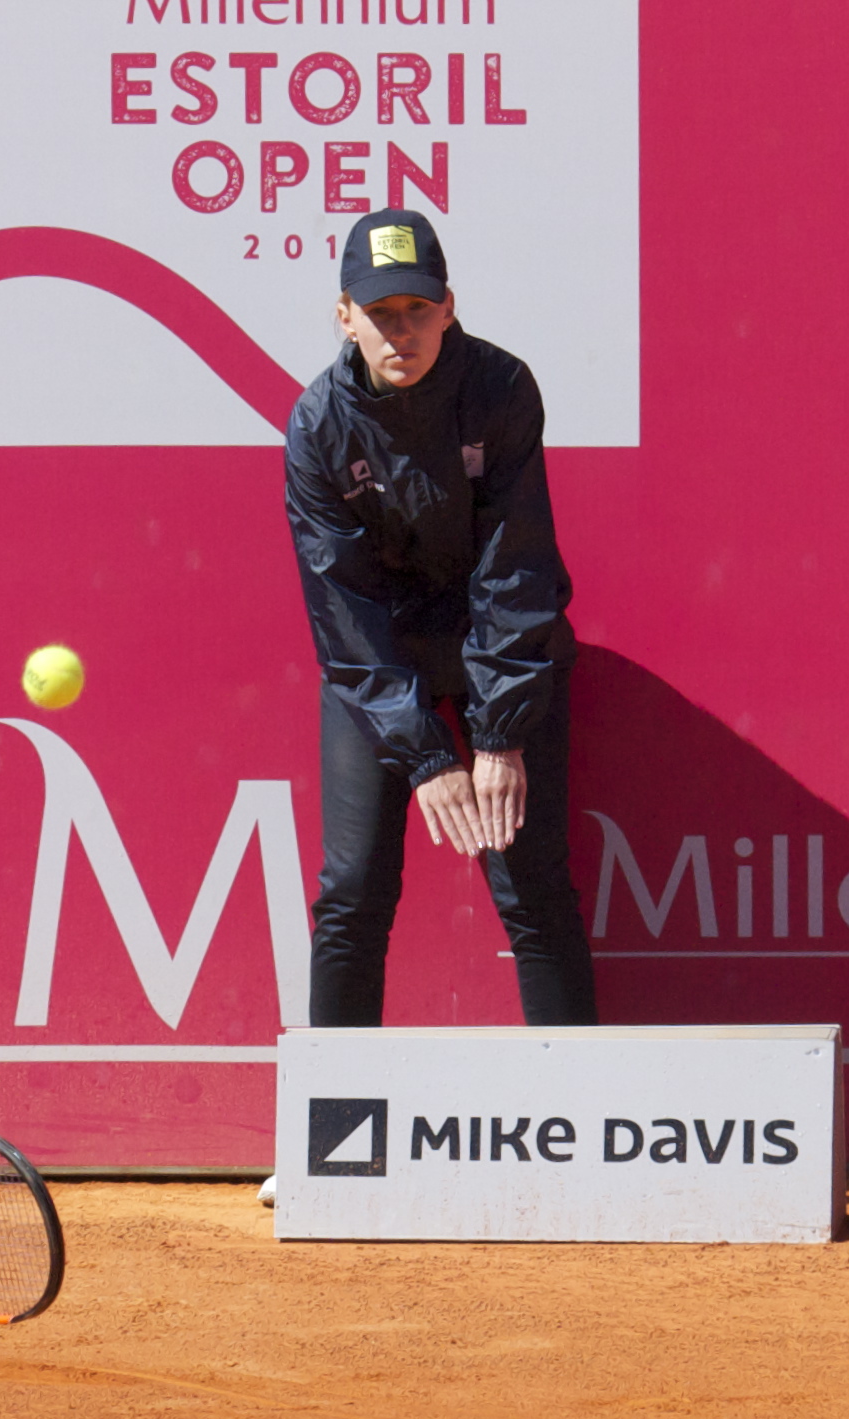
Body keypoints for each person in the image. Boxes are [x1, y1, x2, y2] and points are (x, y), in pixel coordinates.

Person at [285, 208, 598, 1036]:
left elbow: (516, 565)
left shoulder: (500, 388)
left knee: (533, 886)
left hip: (498, 649)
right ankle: (338, 1111)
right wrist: (426, 756)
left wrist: (498, 735)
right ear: (344, 316)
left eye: (418, 310)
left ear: (449, 306)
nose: (402, 332)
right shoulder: (317, 426)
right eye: (380, 313)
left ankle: (575, 1105)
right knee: (352, 892)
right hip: (381, 662)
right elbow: (344, 611)